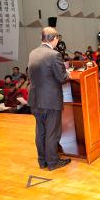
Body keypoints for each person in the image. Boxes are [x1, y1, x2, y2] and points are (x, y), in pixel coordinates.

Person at [27, 27, 71, 171]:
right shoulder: (54, 55)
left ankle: (43, 161)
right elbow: (62, 78)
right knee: (52, 132)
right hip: (50, 101)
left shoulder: (33, 53)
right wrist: (68, 73)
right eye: (57, 37)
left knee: (41, 131)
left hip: (35, 99)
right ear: (53, 38)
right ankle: (53, 162)